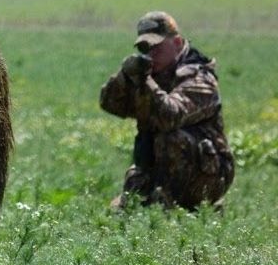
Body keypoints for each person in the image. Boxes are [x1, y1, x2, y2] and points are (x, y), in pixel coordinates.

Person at [100, 11, 235, 210]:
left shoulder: (199, 78)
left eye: (156, 46)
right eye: (145, 48)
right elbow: (110, 104)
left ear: (178, 43)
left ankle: (182, 206)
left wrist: (145, 81)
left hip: (207, 175)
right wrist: (125, 77)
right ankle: (155, 201)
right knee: (120, 212)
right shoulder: (151, 75)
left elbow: (170, 115)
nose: (150, 53)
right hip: (155, 169)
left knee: (172, 136)